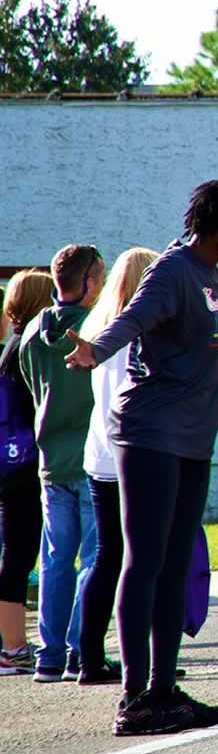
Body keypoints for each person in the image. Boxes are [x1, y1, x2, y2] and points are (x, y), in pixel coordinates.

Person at [66, 175, 218, 736]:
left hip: (190, 438)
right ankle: (135, 698)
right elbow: (132, 320)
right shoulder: (172, 268)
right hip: (151, 432)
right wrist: (96, 350)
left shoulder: (209, 274)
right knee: (146, 560)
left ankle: (164, 689)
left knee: (175, 562)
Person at [16, 243, 105, 683]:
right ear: (89, 282)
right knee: (93, 557)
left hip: (50, 458)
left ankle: (50, 655)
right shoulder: (95, 327)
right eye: (101, 279)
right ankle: (80, 650)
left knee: (55, 559)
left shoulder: (33, 330)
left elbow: (33, 386)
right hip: (89, 458)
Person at [73, 247, 159, 686]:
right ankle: (138, 660)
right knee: (141, 560)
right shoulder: (137, 334)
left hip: (100, 456)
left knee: (108, 557)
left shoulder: (99, 327)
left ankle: (87, 656)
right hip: (133, 454)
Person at [0, 270, 55, 676]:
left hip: (11, 462)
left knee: (15, 553)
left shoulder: (10, 347)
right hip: (23, 464)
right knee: (18, 554)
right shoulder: (25, 349)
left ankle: (12, 642)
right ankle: (14, 646)